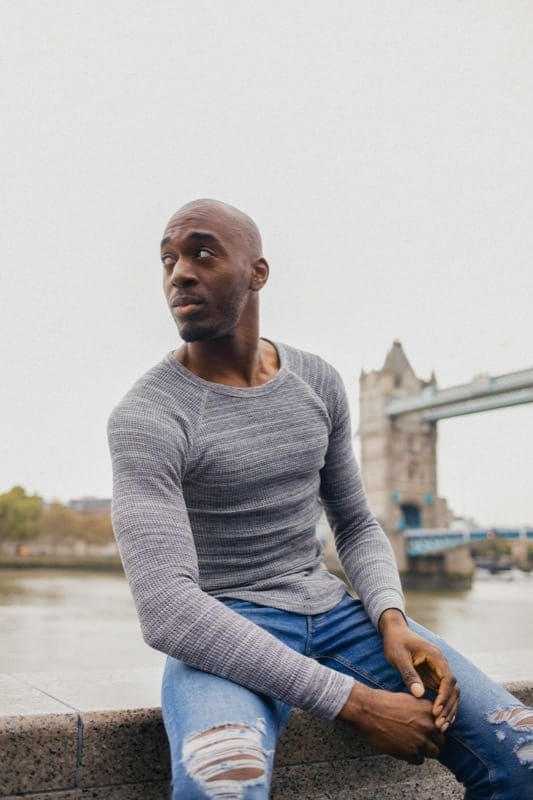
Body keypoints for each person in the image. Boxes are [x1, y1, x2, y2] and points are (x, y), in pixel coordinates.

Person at [107, 199, 532, 800]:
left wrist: (391, 616)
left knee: (524, 758)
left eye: (202, 252)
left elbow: (356, 524)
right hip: (224, 627)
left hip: (336, 615)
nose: (178, 272)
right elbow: (168, 608)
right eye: (167, 259)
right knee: (221, 790)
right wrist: (356, 704)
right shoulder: (148, 415)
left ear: (258, 272)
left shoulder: (317, 381)